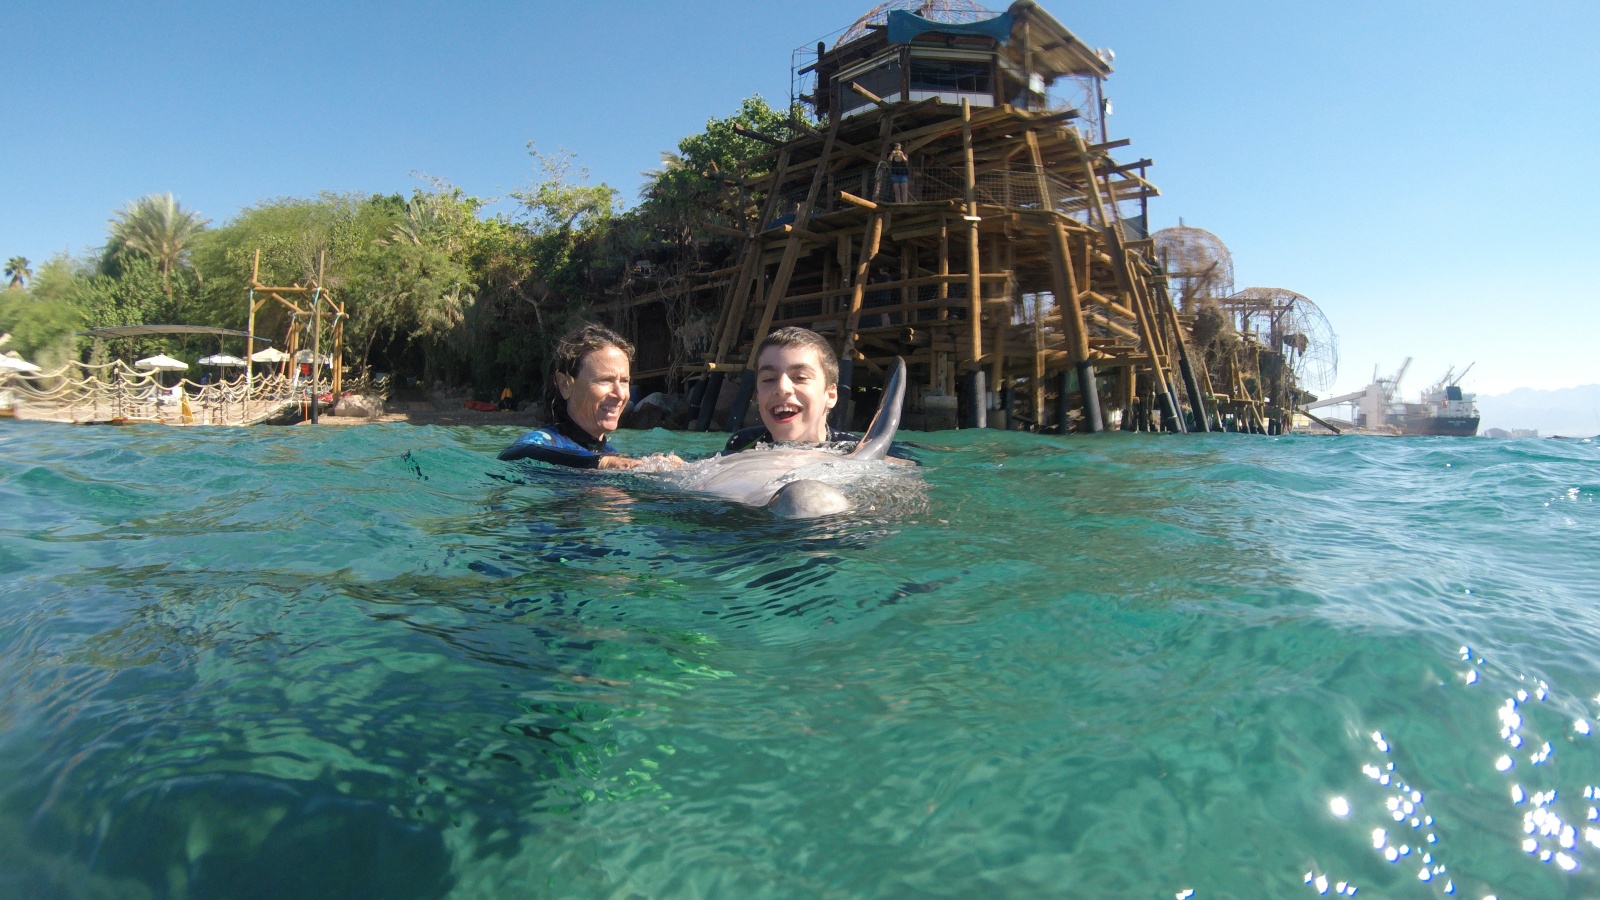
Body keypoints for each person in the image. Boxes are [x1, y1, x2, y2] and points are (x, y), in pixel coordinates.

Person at [498, 323, 676, 470]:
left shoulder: (609, 453)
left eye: (624, 381)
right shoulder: (543, 442)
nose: (621, 395)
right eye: (605, 380)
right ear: (565, 385)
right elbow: (515, 453)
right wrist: (601, 463)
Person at [724, 327, 911, 466]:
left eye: (800, 377)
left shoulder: (855, 449)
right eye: (769, 379)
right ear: (757, 396)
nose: (782, 388)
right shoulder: (742, 444)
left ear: (830, 394)